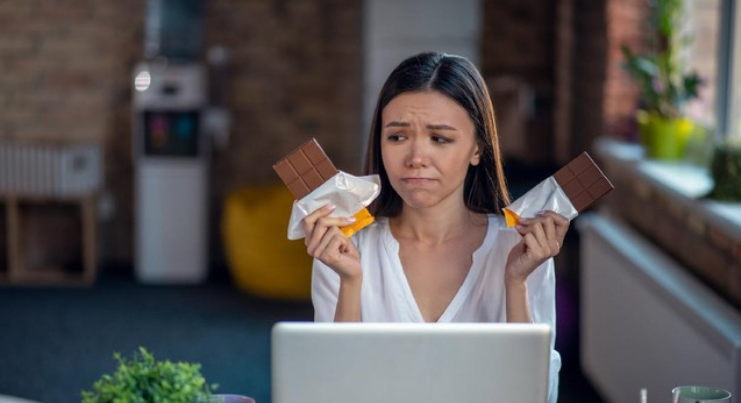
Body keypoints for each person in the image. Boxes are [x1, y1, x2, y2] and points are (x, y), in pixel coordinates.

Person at [302, 51, 568, 403]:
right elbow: (333, 394)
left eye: (440, 139)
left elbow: (538, 396)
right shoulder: (343, 251)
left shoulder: (521, 250)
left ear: (477, 149)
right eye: (397, 137)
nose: (415, 157)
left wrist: (516, 282)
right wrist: (351, 281)